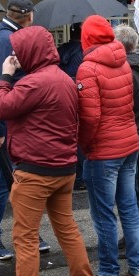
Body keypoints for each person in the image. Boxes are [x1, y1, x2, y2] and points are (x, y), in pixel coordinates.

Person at [0, 25, 97, 276]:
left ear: (31, 51)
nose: (15, 55)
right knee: (67, 229)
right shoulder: (63, 78)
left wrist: (5, 75)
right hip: (64, 167)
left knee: (25, 239)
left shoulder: (35, 83)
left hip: (35, 171)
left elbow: (1, 107)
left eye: (19, 50)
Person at [77, 16, 139, 276]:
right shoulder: (122, 61)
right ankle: (138, 266)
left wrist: (84, 145)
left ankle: (109, 271)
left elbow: (90, 117)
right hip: (129, 143)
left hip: (103, 150)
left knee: (104, 213)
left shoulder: (88, 68)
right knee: (129, 208)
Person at [0, 0, 49, 260]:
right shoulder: (4, 40)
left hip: (14, 123)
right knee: (3, 183)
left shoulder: (8, 36)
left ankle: (27, 232)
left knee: (18, 181)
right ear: (29, 15)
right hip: (7, 125)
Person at [114, 24, 139, 256]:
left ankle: (136, 240)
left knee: (128, 190)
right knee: (138, 187)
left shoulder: (122, 69)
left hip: (128, 132)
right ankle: (138, 235)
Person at [58, 23, 86, 190]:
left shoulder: (61, 50)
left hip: (62, 97)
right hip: (79, 96)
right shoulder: (84, 52)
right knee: (79, 137)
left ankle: (68, 172)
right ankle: (80, 177)